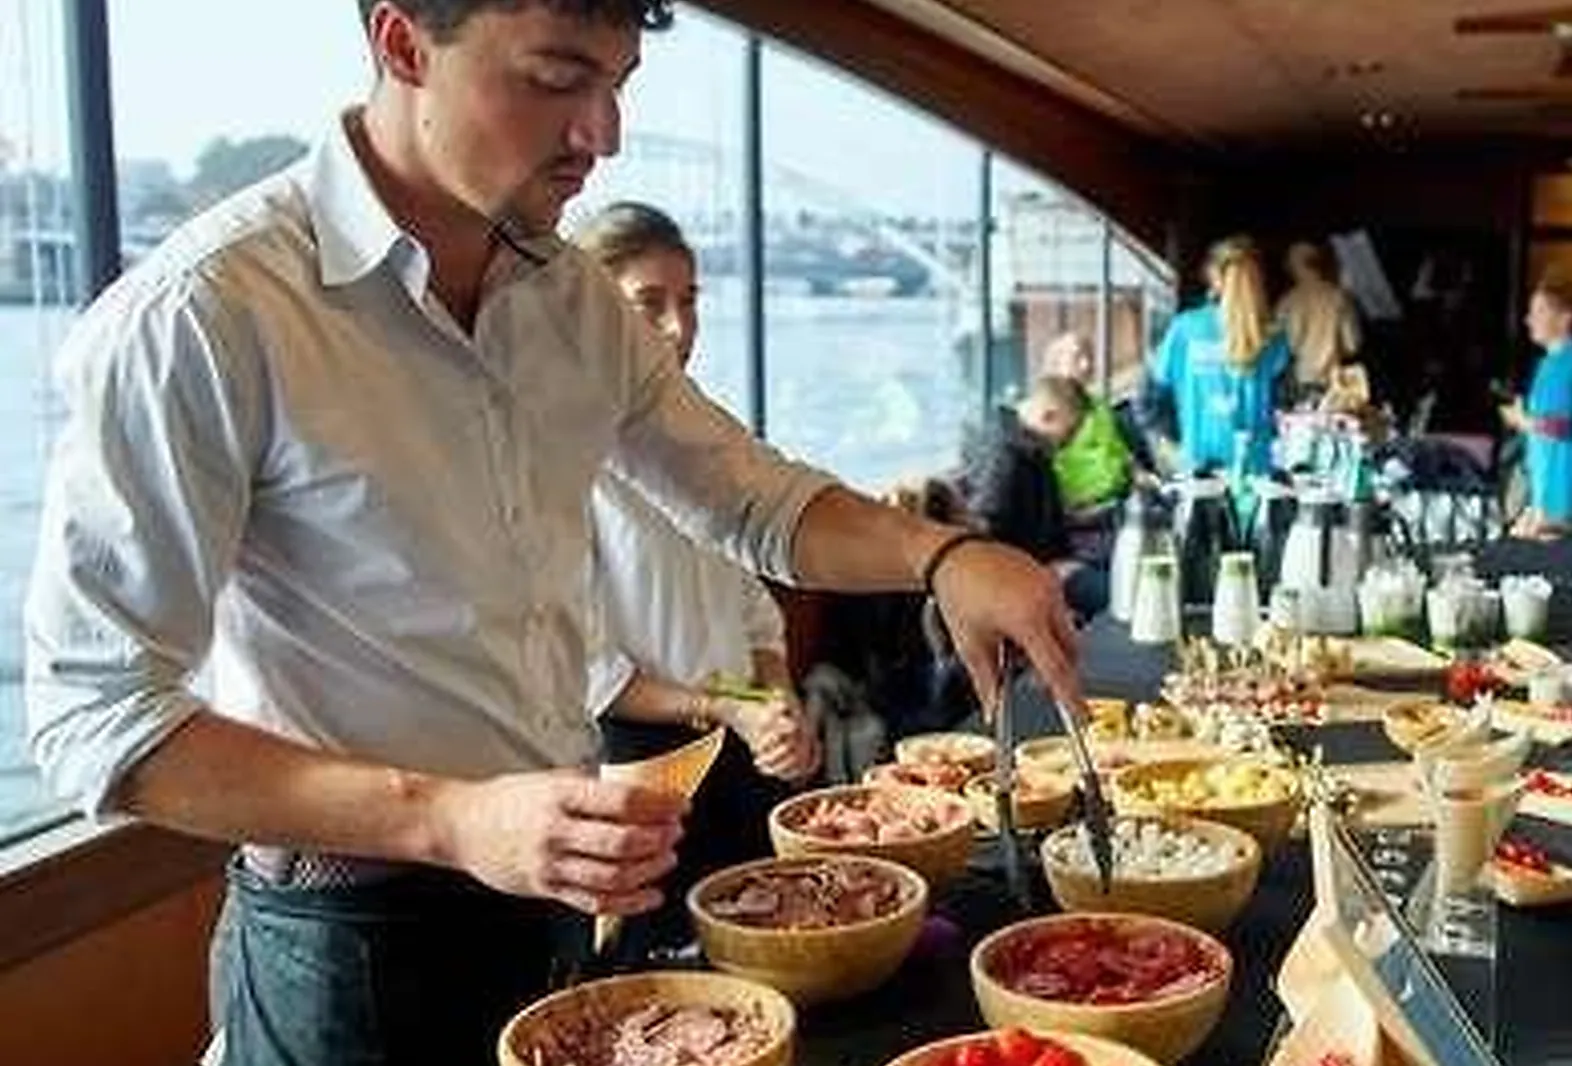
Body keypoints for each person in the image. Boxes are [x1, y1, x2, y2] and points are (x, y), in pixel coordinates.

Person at [22, 3, 1085, 1063]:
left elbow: (748, 497)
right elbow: (93, 717)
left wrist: (944, 555)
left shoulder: (570, 295)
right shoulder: (206, 311)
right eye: (558, 77)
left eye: (618, 83)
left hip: (556, 904)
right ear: (401, 43)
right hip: (348, 937)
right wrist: (450, 819)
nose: (602, 134)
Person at [572, 201, 818, 947]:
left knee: (765, 955)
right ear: (591, 313)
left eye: (689, 300)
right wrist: (736, 708)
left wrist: (776, 702)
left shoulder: (708, 442)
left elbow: (752, 609)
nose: (679, 327)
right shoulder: (561, 461)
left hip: (737, 751)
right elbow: (593, 673)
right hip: (640, 770)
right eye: (649, 303)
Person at [968, 375, 1114, 620]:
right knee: (1121, 595)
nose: (1066, 444)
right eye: (1068, 433)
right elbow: (986, 544)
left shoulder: (1031, 450)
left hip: (1055, 561)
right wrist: (1045, 571)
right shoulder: (1005, 459)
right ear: (1049, 416)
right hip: (1030, 576)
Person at [1144, 235, 1291, 476]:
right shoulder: (1273, 337)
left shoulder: (1185, 329)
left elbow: (1148, 400)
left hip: (1197, 470)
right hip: (1256, 473)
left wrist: (1168, 445)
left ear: (1213, 276)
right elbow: (1286, 408)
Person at [1502, 278, 1572, 539]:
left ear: (1565, 318)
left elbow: (1564, 427)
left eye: (1539, 311)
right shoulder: (1547, 364)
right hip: (1544, 493)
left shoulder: (1571, 361)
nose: (1529, 320)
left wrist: (1524, 421)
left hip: (1563, 496)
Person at [1275, 239, 1362, 400]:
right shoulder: (1340, 297)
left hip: (1300, 380)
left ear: (1295, 265)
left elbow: (1283, 349)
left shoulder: (1288, 302)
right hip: (1334, 382)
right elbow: (1352, 345)